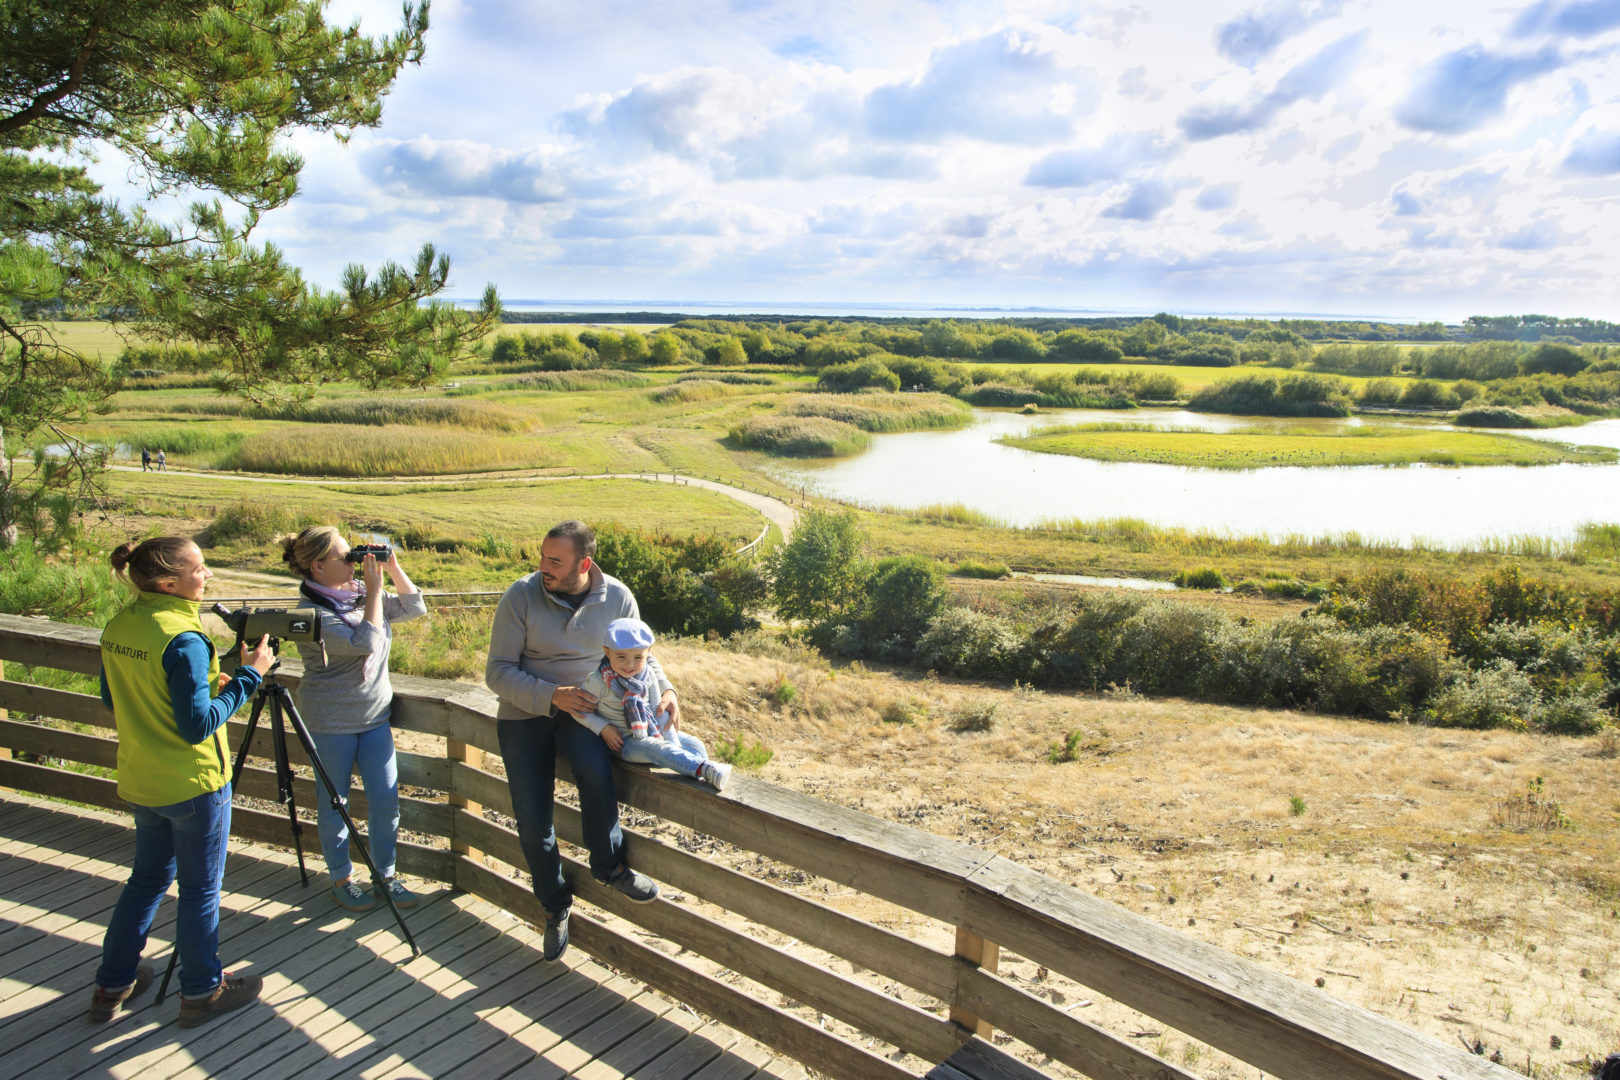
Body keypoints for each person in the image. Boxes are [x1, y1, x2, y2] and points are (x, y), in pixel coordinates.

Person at [92, 537, 273, 1027]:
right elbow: (196, 726)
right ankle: (201, 991)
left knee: (146, 880)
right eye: (200, 568)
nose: (208, 574)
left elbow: (116, 699)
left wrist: (206, 683)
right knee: (199, 890)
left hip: (141, 777)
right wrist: (249, 677)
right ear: (170, 582)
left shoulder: (121, 625)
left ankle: (113, 983)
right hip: (193, 784)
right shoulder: (185, 638)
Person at [485, 520, 670, 963]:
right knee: (532, 820)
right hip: (525, 713)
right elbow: (497, 672)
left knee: (595, 768)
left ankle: (609, 867)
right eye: (543, 556)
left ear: (583, 564)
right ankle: (555, 904)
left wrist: (667, 689)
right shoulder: (521, 596)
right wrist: (552, 695)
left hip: (587, 711)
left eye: (555, 560)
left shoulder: (618, 597)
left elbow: (643, 656)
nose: (543, 567)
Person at [282, 526, 426, 912]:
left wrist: (391, 568)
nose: (353, 564)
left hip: (374, 715)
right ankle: (342, 879)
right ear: (316, 566)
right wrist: (376, 592)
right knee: (335, 804)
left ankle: (386, 875)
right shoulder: (308, 614)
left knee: (386, 800)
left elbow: (415, 607)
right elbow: (365, 641)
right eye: (345, 558)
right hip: (331, 721)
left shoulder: (357, 594)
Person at [578, 618, 730, 792]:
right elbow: (579, 710)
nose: (630, 665)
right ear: (607, 651)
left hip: (650, 731)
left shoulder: (648, 674)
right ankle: (704, 769)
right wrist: (603, 728)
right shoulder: (598, 680)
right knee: (656, 748)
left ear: (648, 652)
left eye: (638, 657)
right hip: (624, 742)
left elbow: (659, 711)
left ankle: (695, 780)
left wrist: (673, 745)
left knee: (695, 745)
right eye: (621, 657)